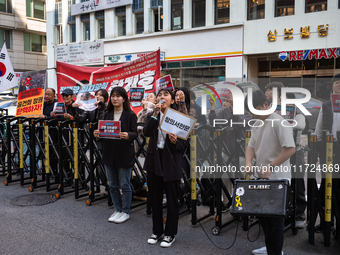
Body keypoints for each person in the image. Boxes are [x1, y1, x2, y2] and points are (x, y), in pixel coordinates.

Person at [245, 90, 296, 255]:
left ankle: (276, 251)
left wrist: (272, 166)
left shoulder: (278, 122)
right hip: (261, 177)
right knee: (264, 217)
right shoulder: (257, 123)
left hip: (277, 179)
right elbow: (251, 146)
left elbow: (290, 149)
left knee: (275, 221)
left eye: (256, 111)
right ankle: (270, 248)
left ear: (266, 105)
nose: (254, 115)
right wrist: (248, 162)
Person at [144, 88, 188, 248]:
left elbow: (184, 145)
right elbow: (147, 133)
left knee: (172, 200)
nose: (162, 97)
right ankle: (157, 231)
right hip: (154, 161)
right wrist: (156, 113)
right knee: (155, 199)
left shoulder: (179, 117)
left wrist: (176, 141)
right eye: (159, 96)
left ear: (172, 100)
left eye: (165, 95)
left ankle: (170, 234)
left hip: (171, 162)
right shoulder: (152, 115)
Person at [94, 87, 137, 224]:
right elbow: (102, 132)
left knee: (124, 184)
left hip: (124, 154)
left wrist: (128, 135)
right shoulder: (107, 114)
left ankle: (125, 211)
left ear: (124, 98)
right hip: (109, 153)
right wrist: (97, 134)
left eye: (118, 96)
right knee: (112, 184)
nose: (115, 98)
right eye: (113, 96)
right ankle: (117, 209)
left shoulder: (130, 115)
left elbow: (135, 133)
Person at [208, 93, 252, 211]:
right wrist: (212, 106)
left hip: (242, 151)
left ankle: (243, 207)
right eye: (229, 97)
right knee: (225, 178)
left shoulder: (247, 111)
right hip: (226, 150)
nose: (229, 99)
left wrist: (235, 107)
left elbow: (240, 122)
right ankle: (226, 203)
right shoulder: (224, 110)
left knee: (241, 180)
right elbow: (214, 123)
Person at [314, 73, 340, 232]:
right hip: (329, 149)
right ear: (332, 86)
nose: (339, 85)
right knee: (326, 186)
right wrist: (317, 144)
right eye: (337, 82)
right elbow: (318, 129)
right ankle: (326, 222)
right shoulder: (326, 105)